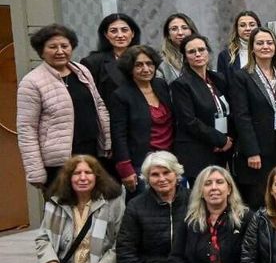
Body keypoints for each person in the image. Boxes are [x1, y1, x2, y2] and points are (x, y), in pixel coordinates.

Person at [18, 24, 111, 192]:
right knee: (63, 207)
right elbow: (27, 129)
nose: (60, 51)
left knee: (93, 205)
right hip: (58, 163)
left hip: (90, 154)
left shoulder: (82, 71)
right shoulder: (31, 82)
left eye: (64, 46)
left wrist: (107, 142)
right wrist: (35, 171)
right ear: (41, 51)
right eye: (53, 47)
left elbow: (99, 105)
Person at [229, 28, 276, 209]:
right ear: (252, 48)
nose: (265, 46)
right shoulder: (242, 76)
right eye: (260, 43)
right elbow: (241, 116)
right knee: (259, 199)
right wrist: (252, 151)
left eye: (269, 43)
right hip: (258, 148)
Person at [109, 45, 173, 195]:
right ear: (129, 68)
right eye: (139, 65)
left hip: (169, 158)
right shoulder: (121, 95)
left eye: (149, 64)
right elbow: (118, 135)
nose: (146, 69)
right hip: (141, 163)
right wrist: (125, 168)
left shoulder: (161, 85)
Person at [170, 35, 233, 184]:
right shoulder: (181, 85)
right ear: (185, 57)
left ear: (208, 52)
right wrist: (220, 140)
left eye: (201, 50)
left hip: (223, 149)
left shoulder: (218, 79)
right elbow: (189, 121)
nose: (198, 54)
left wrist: (228, 139)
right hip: (198, 151)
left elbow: (231, 110)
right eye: (192, 52)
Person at [81, 12, 140, 103]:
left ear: (132, 33)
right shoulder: (93, 62)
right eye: (113, 31)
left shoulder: (144, 58)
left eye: (124, 30)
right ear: (106, 35)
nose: (120, 35)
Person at [216, 10, 260, 78]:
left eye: (252, 25)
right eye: (242, 25)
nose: (248, 28)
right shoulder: (225, 56)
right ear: (236, 29)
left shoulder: (267, 51)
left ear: (258, 27)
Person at [158, 13, 197, 82]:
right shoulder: (161, 63)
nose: (180, 33)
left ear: (192, 31)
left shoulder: (202, 55)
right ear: (168, 35)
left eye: (184, 28)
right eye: (174, 29)